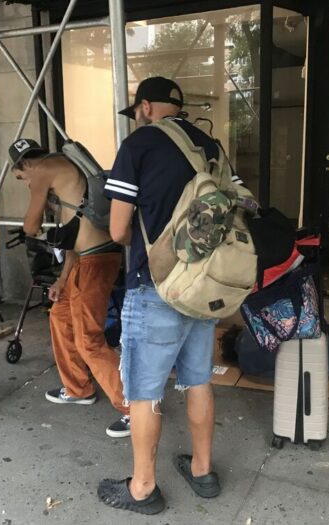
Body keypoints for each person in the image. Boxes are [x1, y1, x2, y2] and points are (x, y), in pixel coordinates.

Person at [98, 77, 225, 515]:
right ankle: (203, 471)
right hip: (205, 285)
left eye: (137, 110)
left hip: (155, 286)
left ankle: (142, 488)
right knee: (198, 380)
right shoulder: (211, 146)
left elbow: (118, 229)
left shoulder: (138, 146)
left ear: (147, 107)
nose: (137, 117)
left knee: (144, 391)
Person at [9, 139, 130, 438]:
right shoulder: (68, 168)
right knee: (60, 316)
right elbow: (75, 237)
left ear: (25, 165)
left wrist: (35, 194)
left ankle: (132, 407)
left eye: (21, 178)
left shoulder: (42, 170)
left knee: (89, 340)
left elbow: (30, 226)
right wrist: (62, 280)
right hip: (86, 260)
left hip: (95, 262)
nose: (26, 183)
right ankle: (78, 388)